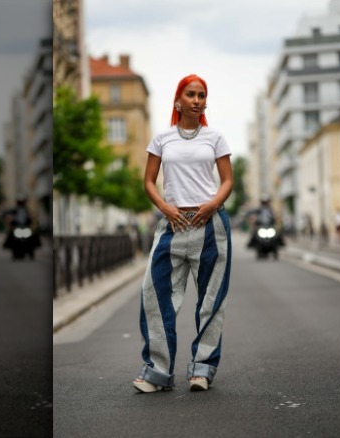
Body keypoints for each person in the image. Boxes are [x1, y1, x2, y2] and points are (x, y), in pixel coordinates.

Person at [132, 74, 233, 393]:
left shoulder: (215, 137)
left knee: (211, 300)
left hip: (210, 225)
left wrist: (212, 204)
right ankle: (159, 371)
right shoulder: (162, 139)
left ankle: (202, 370)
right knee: (154, 294)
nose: (197, 100)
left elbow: (227, 180)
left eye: (202, 95)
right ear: (178, 99)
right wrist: (165, 207)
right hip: (171, 225)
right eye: (190, 94)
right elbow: (149, 180)